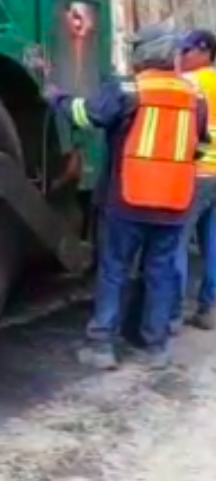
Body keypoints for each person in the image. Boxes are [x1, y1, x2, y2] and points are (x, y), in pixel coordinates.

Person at [46, 32, 208, 369]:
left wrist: (55, 97)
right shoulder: (195, 98)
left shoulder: (127, 90)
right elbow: (198, 144)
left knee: (114, 269)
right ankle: (156, 346)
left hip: (128, 200)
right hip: (174, 202)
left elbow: (85, 115)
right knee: (160, 271)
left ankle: (102, 345)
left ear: (142, 55)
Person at [173, 28, 216, 331]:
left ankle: (172, 313)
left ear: (203, 52)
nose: (181, 56)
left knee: (175, 241)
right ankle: (208, 308)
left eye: (185, 51)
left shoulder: (191, 83)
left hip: (198, 173)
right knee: (212, 243)